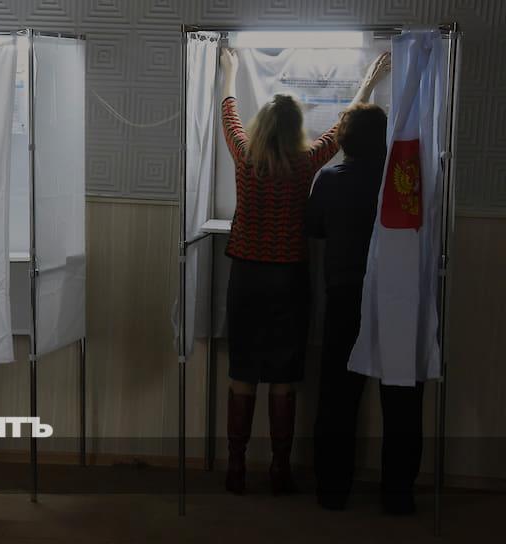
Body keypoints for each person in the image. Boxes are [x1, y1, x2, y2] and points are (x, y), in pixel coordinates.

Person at [219, 49, 391, 495]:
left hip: (246, 277)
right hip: (289, 279)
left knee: (242, 371)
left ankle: (236, 467)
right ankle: (280, 469)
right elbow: (338, 133)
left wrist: (230, 72)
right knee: (283, 376)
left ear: (261, 128)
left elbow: (229, 115)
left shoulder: (244, 158)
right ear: (296, 130)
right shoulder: (304, 164)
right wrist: (367, 85)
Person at [307, 101, 423, 515]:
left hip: (345, 294)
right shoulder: (400, 181)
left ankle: (332, 491)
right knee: (401, 396)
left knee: (338, 396)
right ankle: (398, 495)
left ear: (345, 140)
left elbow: (315, 228)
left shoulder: (329, 179)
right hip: (395, 295)